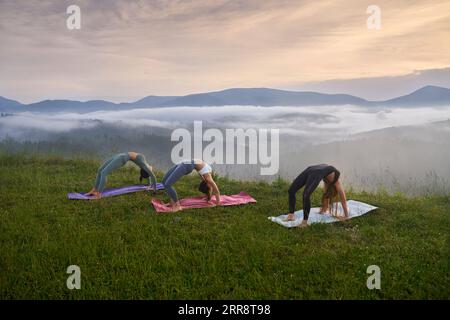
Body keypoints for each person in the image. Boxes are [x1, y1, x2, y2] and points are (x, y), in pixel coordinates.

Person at [86, 152, 157, 199]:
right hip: (120, 155)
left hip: (122, 158)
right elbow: (150, 176)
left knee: (104, 173)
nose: (152, 169)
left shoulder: (145, 166)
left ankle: (99, 194)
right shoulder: (145, 164)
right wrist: (149, 184)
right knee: (99, 170)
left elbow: (153, 177)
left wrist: (154, 190)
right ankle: (94, 189)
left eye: (151, 171)